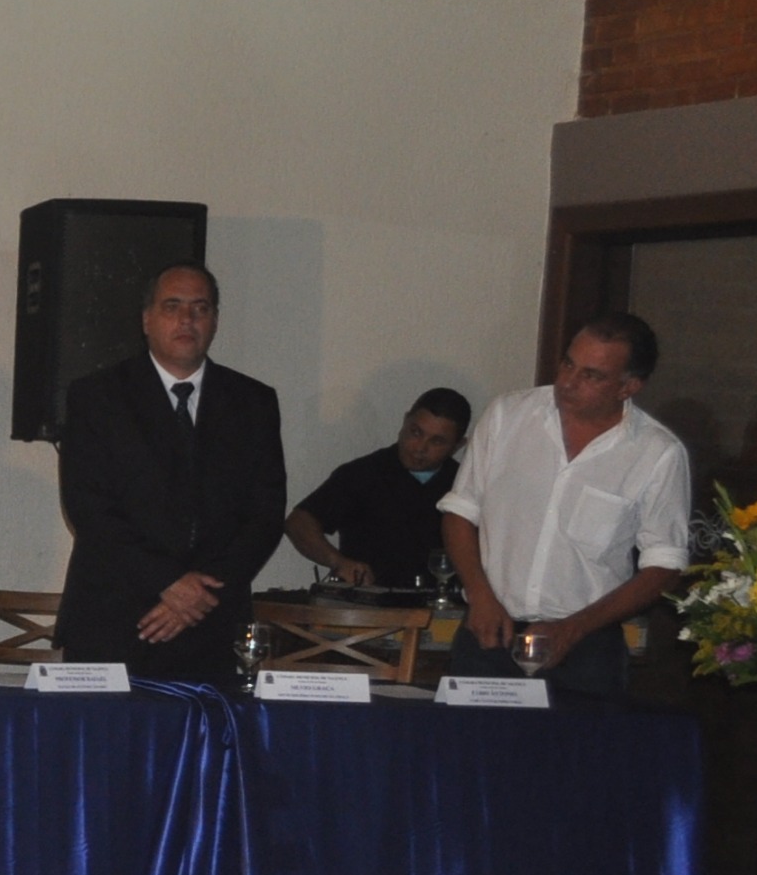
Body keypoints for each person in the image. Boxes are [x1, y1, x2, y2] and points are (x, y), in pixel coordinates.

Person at [54, 263, 289, 682]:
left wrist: (198, 596)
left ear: (215, 321)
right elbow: (89, 508)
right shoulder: (97, 397)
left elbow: (265, 514)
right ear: (146, 319)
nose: (187, 319)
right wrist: (169, 583)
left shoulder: (253, 402)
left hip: (212, 623)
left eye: (200, 308)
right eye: (172, 306)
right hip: (116, 619)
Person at [439, 313, 690, 696]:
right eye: (568, 364)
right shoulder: (508, 415)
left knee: (579, 737)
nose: (568, 382)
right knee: (470, 737)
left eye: (591, 375)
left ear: (628, 387)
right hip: (489, 630)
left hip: (586, 646)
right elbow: (460, 512)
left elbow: (665, 566)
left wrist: (573, 628)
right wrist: (479, 594)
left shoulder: (657, 452)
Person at [287, 388, 472, 588]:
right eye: (416, 432)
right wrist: (338, 562)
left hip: (445, 605)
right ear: (405, 421)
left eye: (437, 441)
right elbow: (299, 522)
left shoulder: (466, 486)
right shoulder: (363, 474)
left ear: (458, 445)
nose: (420, 448)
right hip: (368, 602)